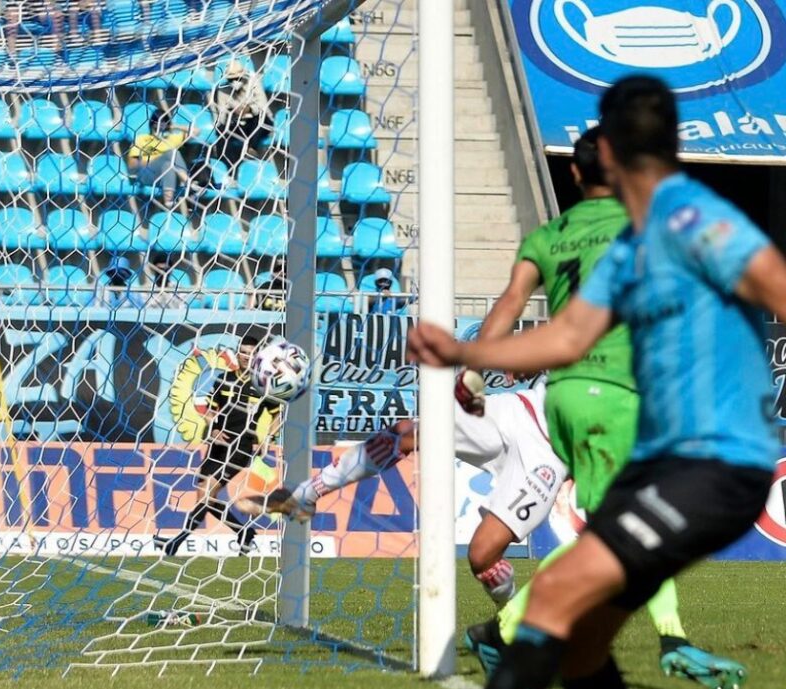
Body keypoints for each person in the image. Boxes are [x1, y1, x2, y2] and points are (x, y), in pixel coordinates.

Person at [408, 75, 781, 689]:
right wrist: (466, 351)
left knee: (563, 597)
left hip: (658, 435)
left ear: (591, 163)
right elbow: (572, 335)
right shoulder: (648, 232)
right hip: (671, 439)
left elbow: (564, 337)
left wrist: (469, 357)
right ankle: (662, 641)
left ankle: (656, 639)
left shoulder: (660, 223)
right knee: (580, 618)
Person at [464, 126, 741, 685]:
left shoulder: (548, 236)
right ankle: (517, 633)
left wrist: (473, 372)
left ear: (573, 173)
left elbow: (511, 302)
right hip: (614, 394)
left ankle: (508, 633)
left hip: (564, 397)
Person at [238, 375, 567, 609]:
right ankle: (306, 494)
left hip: (547, 454)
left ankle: (507, 614)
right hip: (517, 410)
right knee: (406, 433)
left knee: (482, 555)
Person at [154, 336, 282, 557]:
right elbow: (210, 410)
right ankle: (244, 532)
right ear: (238, 353)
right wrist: (212, 427)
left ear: (257, 357)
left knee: (206, 495)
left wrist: (267, 439)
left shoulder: (261, 384)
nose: (245, 356)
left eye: (250, 353)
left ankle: (175, 543)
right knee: (205, 498)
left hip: (240, 446)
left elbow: (277, 414)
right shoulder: (224, 379)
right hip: (217, 445)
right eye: (242, 352)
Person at [209, 59, 272, 167]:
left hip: (256, 121)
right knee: (221, 130)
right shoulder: (223, 90)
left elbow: (263, 106)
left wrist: (249, 109)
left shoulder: (253, 83)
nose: (235, 81)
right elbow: (221, 114)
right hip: (238, 124)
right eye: (232, 79)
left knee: (260, 119)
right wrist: (232, 113)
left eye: (237, 78)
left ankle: (250, 149)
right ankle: (226, 165)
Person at [127, 109, 191, 208]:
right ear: (152, 123)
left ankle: (168, 202)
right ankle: (188, 183)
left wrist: (173, 126)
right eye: (158, 122)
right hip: (147, 174)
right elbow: (132, 164)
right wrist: (153, 162)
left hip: (164, 176)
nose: (160, 125)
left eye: (164, 122)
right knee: (171, 154)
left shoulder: (172, 138)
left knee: (168, 164)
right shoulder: (141, 138)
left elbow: (195, 131)